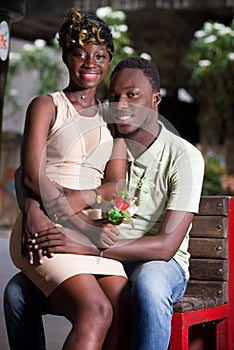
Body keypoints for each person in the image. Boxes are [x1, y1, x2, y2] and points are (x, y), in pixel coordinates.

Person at [4, 57, 205, 350]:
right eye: (113, 97)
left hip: (155, 259)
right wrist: (34, 207)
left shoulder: (183, 156)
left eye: (132, 96)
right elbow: (30, 172)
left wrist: (86, 245)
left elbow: (165, 247)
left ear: (155, 99)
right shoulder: (107, 139)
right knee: (16, 293)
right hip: (105, 255)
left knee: (148, 287)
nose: (121, 105)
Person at [6, 8, 132, 350]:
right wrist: (46, 208)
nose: (90, 63)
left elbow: (115, 186)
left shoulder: (113, 119)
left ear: (108, 61)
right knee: (96, 311)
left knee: (124, 311)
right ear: (65, 57)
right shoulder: (46, 106)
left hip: (87, 232)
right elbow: (31, 175)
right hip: (46, 229)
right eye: (80, 53)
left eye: (100, 55)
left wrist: (69, 199)